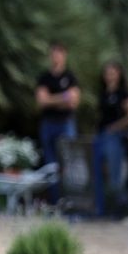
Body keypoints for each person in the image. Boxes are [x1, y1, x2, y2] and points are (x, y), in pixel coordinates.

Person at [35, 42, 80, 202]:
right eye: (53, 53)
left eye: (59, 53)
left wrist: (51, 99)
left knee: (68, 162)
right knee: (51, 164)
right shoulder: (44, 77)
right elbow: (42, 101)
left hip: (66, 123)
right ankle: (55, 202)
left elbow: (73, 101)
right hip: (48, 124)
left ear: (64, 55)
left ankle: (69, 200)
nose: (56, 56)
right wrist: (63, 97)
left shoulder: (70, 77)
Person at [92, 62, 128, 217]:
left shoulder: (123, 94)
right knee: (98, 172)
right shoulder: (103, 92)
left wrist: (115, 127)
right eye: (107, 72)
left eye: (113, 72)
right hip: (101, 136)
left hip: (115, 137)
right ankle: (100, 208)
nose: (109, 75)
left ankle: (119, 208)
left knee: (115, 175)